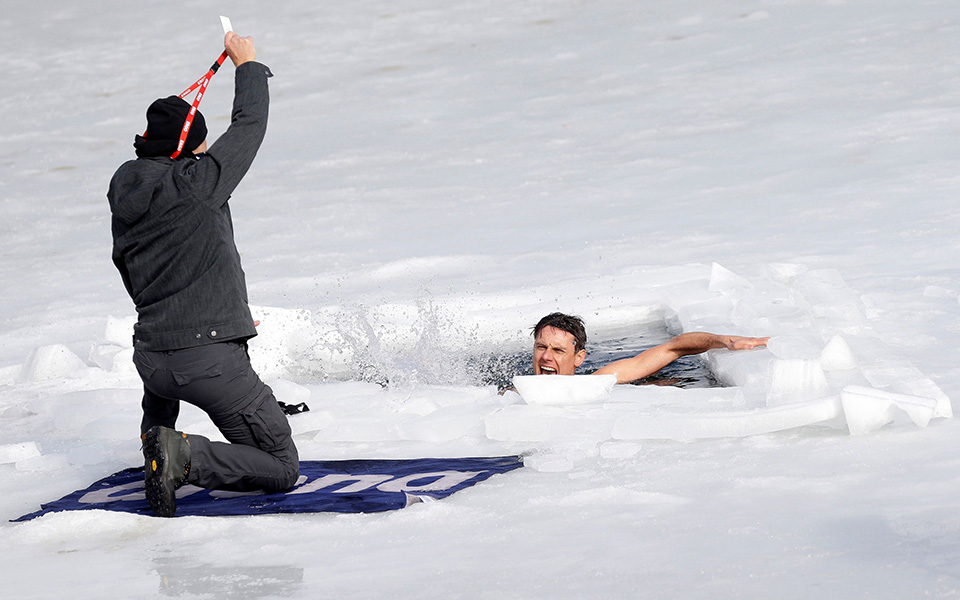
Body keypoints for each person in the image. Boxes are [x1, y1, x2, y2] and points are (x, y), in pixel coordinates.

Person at [107, 32, 299, 517]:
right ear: (189, 148)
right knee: (280, 464)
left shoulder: (125, 194)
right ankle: (179, 456)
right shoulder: (196, 183)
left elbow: (134, 276)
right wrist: (248, 66)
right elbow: (250, 125)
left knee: (169, 411)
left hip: (152, 361)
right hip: (207, 362)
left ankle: (159, 445)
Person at [531, 312, 768, 384]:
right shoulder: (511, 395)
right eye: (541, 347)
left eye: (558, 350)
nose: (546, 357)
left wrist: (725, 341)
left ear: (579, 358)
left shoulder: (597, 382)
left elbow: (674, 348)